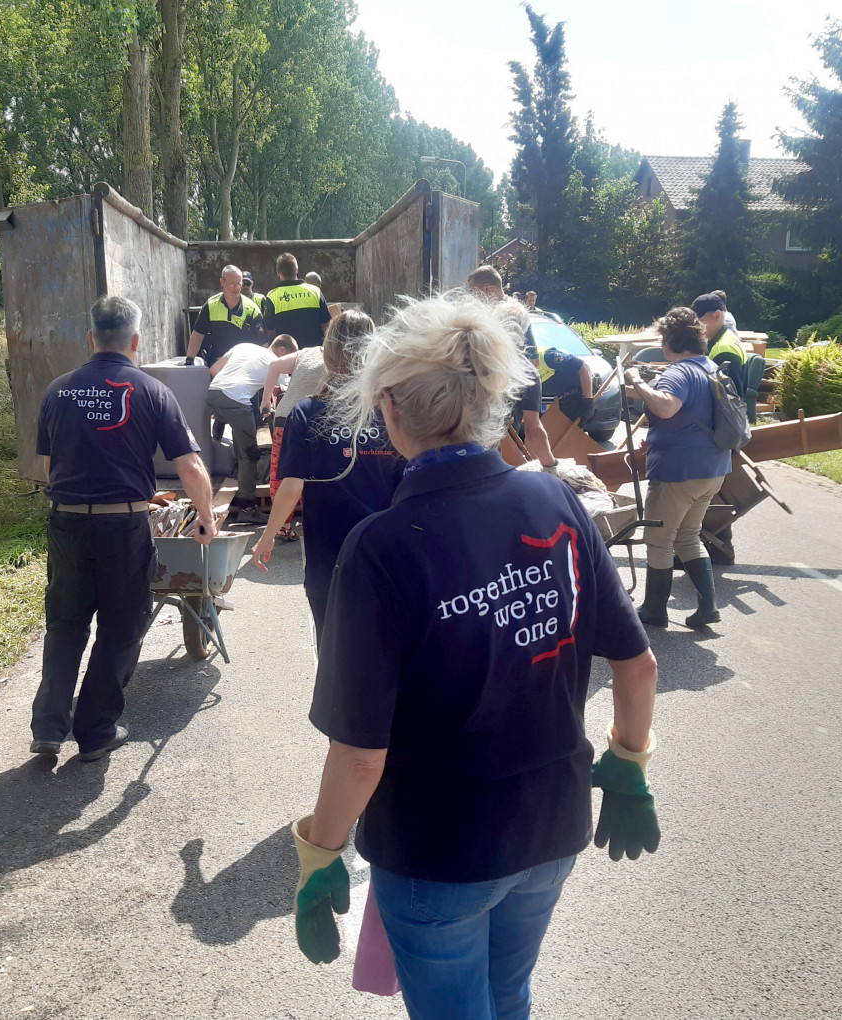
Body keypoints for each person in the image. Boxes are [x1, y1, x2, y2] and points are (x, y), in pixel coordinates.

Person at [288, 292, 660, 1020]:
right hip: (552, 825)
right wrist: (630, 762)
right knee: (507, 994)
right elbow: (638, 664)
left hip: (439, 849)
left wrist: (321, 851)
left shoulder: (382, 548)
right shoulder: (557, 502)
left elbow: (361, 753)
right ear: (491, 397)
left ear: (389, 407)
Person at [31, 295, 217, 761]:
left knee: (66, 623)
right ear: (135, 341)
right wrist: (207, 519)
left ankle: (49, 728)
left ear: (91, 338)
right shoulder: (152, 391)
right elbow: (191, 466)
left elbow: (52, 466)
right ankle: (95, 731)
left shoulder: (58, 390)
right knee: (122, 626)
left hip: (67, 525)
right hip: (123, 528)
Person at [251, 311, 403, 633]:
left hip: (329, 557)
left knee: (333, 649)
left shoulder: (305, 412)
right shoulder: (393, 408)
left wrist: (267, 537)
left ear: (329, 353)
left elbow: (290, 488)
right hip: (389, 553)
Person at [623, 306, 732, 630]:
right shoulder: (710, 368)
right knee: (687, 535)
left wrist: (636, 383)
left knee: (658, 540)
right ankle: (708, 607)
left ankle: (655, 609)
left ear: (669, 341)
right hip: (714, 470)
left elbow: (667, 408)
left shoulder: (680, 372)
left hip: (679, 473)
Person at [468, 264, 558, 468]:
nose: (471, 298)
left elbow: (533, 358)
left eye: (473, 292)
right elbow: (534, 430)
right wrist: (552, 468)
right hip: (483, 443)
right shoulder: (480, 357)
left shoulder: (472, 355)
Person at [208, 335, 299, 524]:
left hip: (213, 393)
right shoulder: (277, 362)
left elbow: (214, 369)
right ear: (282, 351)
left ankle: (220, 422)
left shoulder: (243, 345)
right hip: (236, 403)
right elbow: (281, 395)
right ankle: (247, 508)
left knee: (239, 427)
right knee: (250, 455)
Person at [260, 338, 329, 539]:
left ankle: (282, 525)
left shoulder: (306, 352)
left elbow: (275, 365)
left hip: (284, 416)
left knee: (281, 471)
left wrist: (266, 401)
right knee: (316, 472)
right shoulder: (341, 356)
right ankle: (315, 523)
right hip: (315, 418)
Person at [186, 264, 263, 365]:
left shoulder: (252, 309)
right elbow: (198, 335)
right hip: (217, 362)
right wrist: (189, 360)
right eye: (231, 283)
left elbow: (263, 343)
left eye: (239, 284)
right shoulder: (211, 306)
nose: (236, 288)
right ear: (222, 282)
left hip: (244, 364)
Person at [262, 253, 332, 348]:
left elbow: (270, 332)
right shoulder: (315, 292)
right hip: (314, 354)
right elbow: (327, 327)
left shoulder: (272, 297)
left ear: (278, 273)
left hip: (286, 355)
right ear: (297, 270)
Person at [693, 291, 745, 394]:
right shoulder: (726, 337)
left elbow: (730, 399)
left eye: (701, 321)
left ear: (717, 315)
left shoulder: (724, 351)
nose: (697, 327)